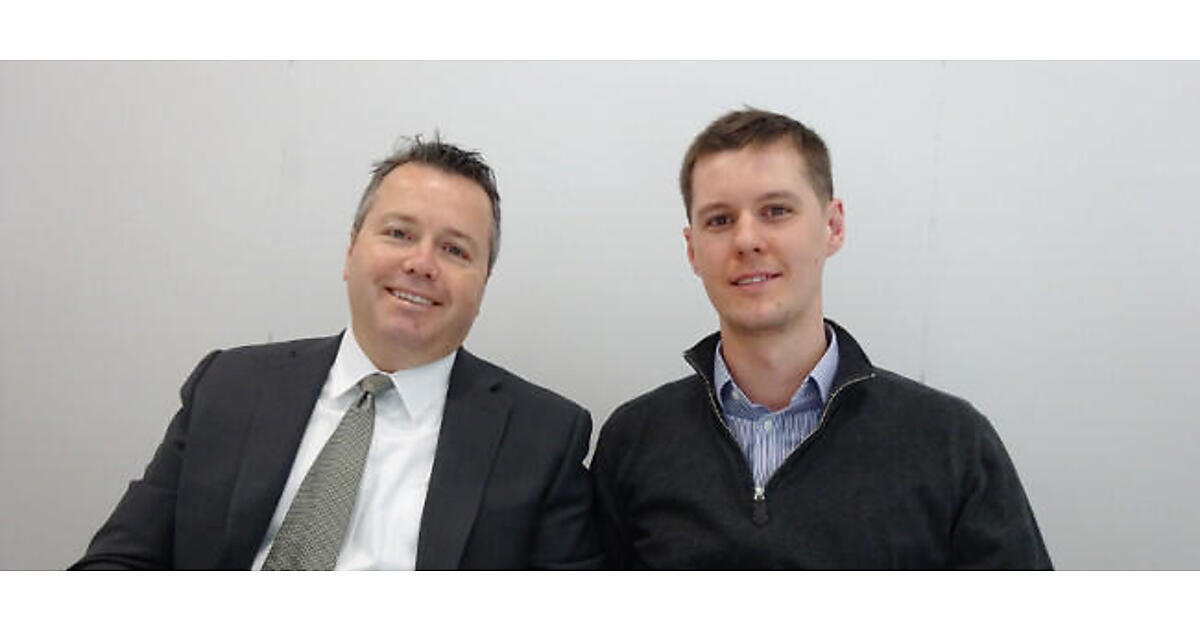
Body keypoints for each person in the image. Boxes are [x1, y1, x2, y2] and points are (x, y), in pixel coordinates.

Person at [72, 137, 601, 570]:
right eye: (399, 233)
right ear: (351, 251)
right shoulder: (229, 386)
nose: (421, 264)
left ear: (482, 284)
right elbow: (118, 564)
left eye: (454, 249)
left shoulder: (543, 438)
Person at [591, 109, 1052, 569]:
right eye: (719, 220)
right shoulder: (634, 442)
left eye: (776, 211)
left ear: (833, 226)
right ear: (692, 249)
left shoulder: (951, 443)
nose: (746, 240)